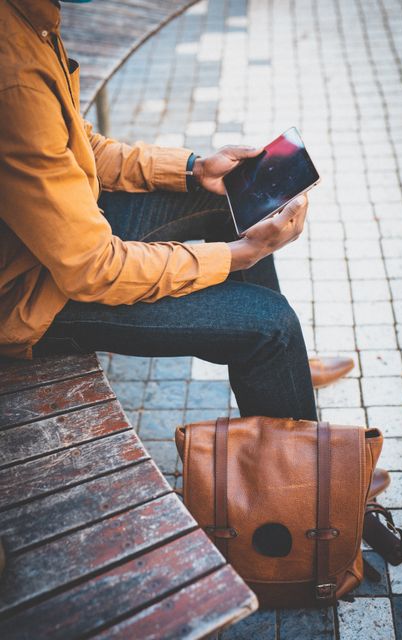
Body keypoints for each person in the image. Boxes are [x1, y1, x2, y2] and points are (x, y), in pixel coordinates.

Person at [0, 0, 354, 421]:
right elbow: (93, 269)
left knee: (228, 200)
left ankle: (284, 370)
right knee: (271, 324)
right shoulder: (15, 76)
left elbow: (82, 146)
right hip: (30, 294)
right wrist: (239, 255)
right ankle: (303, 479)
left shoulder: (30, 19)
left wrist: (194, 169)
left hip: (59, 235)